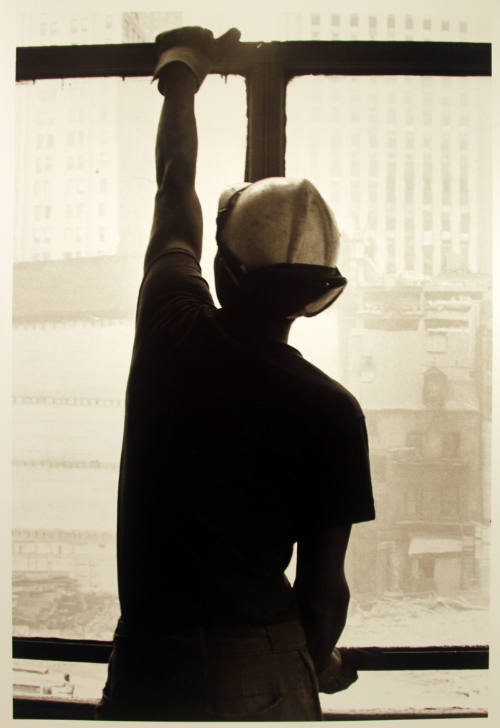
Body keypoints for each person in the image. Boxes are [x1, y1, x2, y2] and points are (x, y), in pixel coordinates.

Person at [96, 26, 375, 721]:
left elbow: (175, 185)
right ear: (315, 299)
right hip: (263, 668)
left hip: (148, 665)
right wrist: (321, 661)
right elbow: (323, 597)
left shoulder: (169, 322)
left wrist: (183, 71)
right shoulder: (332, 412)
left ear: (223, 268)